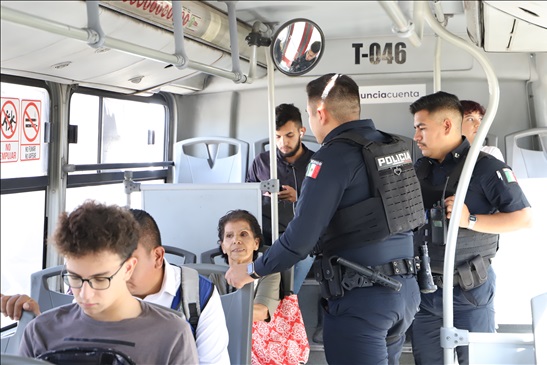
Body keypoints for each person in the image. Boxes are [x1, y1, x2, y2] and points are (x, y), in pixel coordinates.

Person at [226, 73, 424, 364]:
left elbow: (300, 240)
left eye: (309, 114)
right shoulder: (394, 147)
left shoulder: (332, 156)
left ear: (320, 112)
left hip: (362, 299)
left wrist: (253, 270)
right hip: (405, 292)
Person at [1, 208, 230, 365]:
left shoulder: (172, 333)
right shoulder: (41, 331)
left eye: (101, 279)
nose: (85, 294)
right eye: (74, 278)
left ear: (128, 268)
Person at [409, 91, 532, 365]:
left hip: (469, 290)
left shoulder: (486, 168)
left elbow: (524, 217)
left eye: (421, 128)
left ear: (447, 126)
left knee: (479, 361)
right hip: (425, 292)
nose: (416, 136)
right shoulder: (420, 169)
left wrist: (470, 220)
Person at [246, 103, 315, 294]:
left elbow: (324, 207)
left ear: (301, 131)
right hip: (264, 236)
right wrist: (261, 194)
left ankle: (285, 303)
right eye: (277, 137)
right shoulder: (261, 162)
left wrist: (298, 198)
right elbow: (246, 196)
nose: (283, 142)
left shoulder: (316, 163)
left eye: (289, 135)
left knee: (290, 282)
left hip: (299, 238)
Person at [209, 209, 281, 323]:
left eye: (243, 234)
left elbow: (262, 312)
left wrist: (216, 313)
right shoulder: (215, 276)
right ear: (223, 246)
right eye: (229, 236)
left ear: (256, 243)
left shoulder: (268, 273)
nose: (236, 240)